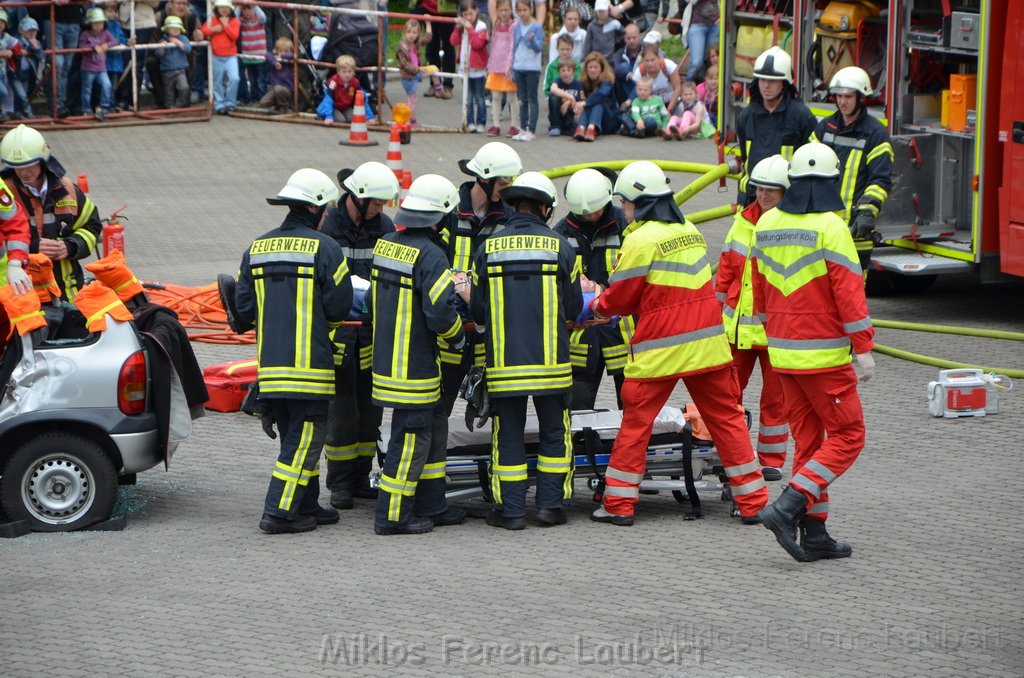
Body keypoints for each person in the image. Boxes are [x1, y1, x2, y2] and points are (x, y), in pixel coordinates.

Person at [588, 161, 768, 526]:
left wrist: (594, 305)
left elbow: (621, 299)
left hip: (662, 350)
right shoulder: (689, 230)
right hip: (708, 347)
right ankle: (755, 503)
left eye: (625, 204)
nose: (624, 211)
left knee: (636, 424)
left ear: (639, 202)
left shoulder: (640, 240)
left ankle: (618, 506)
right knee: (728, 421)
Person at [752, 142, 875, 562]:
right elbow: (849, 292)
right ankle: (787, 507)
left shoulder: (766, 223)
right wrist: (864, 348)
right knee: (849, 436)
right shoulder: (831, 226)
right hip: (823, 359)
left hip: (782, 355)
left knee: (809, 445)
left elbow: (760, 290)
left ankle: (816, 533)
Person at [235, 168, 352, 535]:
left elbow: (243, 310)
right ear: (317, 208)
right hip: (311, 368)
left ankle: (307, 504)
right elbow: (339, 306)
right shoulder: (326, 248)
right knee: (303, 443)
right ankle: (278, 513)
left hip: (271, 368)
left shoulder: (256, 248)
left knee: (294, 438)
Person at [470, 172, 582, 529]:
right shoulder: (562, 246)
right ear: (545, 208)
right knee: (554, 433)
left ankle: (512, 511)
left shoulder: (487, 247)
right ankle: (550, 507)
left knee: (508, 437)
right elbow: (573, 306)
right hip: (552, 363)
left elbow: (478, 311)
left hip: (506, 364)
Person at [370, 174, 468, 535]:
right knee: (412, 438)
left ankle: (432, 504)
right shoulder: (432, 256)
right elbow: (441, 314)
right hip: (415, 366)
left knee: (428, 429)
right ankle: (392, 516)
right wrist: (459, 340)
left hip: (385, 363)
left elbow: (369, 303)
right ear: (441, 217)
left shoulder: (385, 244)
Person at [321, 161, 399, 511]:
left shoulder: (381, 226)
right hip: (337, 338)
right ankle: (339, 483)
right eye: (378, 202)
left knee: (370, 412)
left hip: (369, 337)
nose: (382, 210)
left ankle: (362, 477)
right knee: (341, 415)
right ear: (358, 197)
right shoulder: (327, 225)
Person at [716, 155, 790, 482]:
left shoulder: (794, 226)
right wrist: (714, 318)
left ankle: (771, 459)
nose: (764, 195)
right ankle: (733, 452)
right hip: (738, 326)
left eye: (772, 190)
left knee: (776, 399)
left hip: (775, 329)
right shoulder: (742, 221)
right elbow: (726, 271)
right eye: (760, 189)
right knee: (728, 393)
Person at [438, 141, 522, 416]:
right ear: (483, 177)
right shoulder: (448, 211)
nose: (508, 187)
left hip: (489, 332)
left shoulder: (509, 218)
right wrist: (461, 287)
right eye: (504, 181)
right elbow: (433, 262)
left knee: (493, 413)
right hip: (451, 331)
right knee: (440, 410)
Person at [552, 168, 629, 409]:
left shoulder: (625, 226)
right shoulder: (562, 233)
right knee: (577, 411)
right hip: (581, 338)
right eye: (584, 214)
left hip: (623, 334)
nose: (591, 216)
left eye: (596, 211)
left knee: (632, 408)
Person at [0, 125, 102, 301]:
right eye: (17, 167)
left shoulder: (67, 189)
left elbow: (91, 226)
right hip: (23, 294)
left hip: (68, 292)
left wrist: (71, 246)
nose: (23, 172)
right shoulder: (5, 192)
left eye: (29, 165)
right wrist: (31, 247)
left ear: (42, 161)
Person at [810, 66, 894, 262]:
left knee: (852, 291)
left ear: (861, 97)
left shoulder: (876, 134)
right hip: (821, 228)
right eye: (839, 96)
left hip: (855, 231)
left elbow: (880, 180)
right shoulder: (824, 129)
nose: (842, 102)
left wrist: (866, 212)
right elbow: (807, 170)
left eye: (848, 97)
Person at [736, 46, 816, 206]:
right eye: (762, 80)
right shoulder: (747, 115)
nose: (766, 86)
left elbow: (812, 160)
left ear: (784, 83)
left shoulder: (801, 116)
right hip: (752, 197)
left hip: (787, 199)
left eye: (772, 81)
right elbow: (745, 158)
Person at [28, 0, 84, 116]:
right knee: (57, 64)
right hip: (53, 19)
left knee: (66, 66)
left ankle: (60, 105)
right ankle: (54, 106)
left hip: (73, 20)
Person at [451, 0, 489, 133]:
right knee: (468, 97)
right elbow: (453, 41)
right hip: (464, 68)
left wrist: (469, 29)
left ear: (476, 11)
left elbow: (477, 44)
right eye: (465, 14)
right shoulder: (461, 27)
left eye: (471, 14)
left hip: (478, 69)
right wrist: (457, 27)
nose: (468, 17)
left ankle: (481, 122)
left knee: (479, 97)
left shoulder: (481, 26)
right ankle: (470, 122)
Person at [397, 19, 443, 126]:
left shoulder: (415, 43)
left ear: (417, 34)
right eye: (408, 32)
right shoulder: (402, 48)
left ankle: (438, 89)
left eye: (414, 32)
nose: (411, 35)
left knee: (434, 69)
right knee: (412, 99)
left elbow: (428, 38)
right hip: (408, 77)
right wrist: (419, 69)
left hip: (417, 73)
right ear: (404, 33)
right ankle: (411, 121)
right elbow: (405, 65)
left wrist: (428, 23)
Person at [78, 7, 119, 121]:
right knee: (87, 89)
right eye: (95, 23)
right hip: (87, 68)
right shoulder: (85, 34)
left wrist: (107, 45)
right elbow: (81, 47)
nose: (98, 26)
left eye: (100, 23)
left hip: (101, 68)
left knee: (107, 85)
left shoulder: (106, 33)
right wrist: (92, 47)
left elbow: (114, 41)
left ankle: (104, 107)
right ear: (90, 23)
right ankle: (86, 109)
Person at [511, 0, 544, 142]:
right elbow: (514, 47)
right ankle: (522, 128)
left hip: (532, 68)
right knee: (522, 100)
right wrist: (512, 66)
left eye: (525, 10)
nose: (522, 13)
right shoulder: (517, 26)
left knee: (532, 99)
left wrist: (532, 40)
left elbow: (539, 47)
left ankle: (531, 129)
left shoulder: (536, 27)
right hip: (519, 67)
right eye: (520, 11)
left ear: (530, 9)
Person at [201, 0, 240, 115]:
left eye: (226, 7)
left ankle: (230, 102)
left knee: (235, 78)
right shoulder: (212, 20)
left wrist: (225, 25)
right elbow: (204, 31)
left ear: (230, 9)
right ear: (216, 9)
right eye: (221, 7)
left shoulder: (234, 21)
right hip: (216, 56)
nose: (224, 9)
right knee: (217, 82)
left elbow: (234, 36)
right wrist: (213, 30)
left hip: (231, 56)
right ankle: (219, 104)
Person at [484, 0, 517, 138]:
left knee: (511, 97)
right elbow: (493, 44)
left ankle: (515, 125)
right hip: (495, 66)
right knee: (496, 97)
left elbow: (512, 47)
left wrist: (509, 65)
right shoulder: (496, 24)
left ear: (511, 10)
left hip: (507, 66)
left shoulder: (514, 26)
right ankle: (496, 125)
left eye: (506, 10)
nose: (503, 13)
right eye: (501, 10)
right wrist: (489, 64)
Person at [572, 51, 618, 141]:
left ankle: (591, 128)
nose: (593, 70)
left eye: (596, 67)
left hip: (609, 121)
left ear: (602, 68)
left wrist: (585, 103)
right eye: (590, 67)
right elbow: (579, 99)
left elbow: (601, 94)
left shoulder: (607, 82)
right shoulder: (582, 82)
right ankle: (581, 128)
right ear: (586, 68)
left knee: (597, 102)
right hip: (588, 118)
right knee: (587, 104)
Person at [12, 17, 44, 119]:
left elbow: (42, 56)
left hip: (26, 73)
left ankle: (18, 113)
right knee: (22, 95)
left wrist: (36, 47)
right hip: (15, 73)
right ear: (21, 30)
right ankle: (28, 113)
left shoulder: (36, 43)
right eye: (29, 30)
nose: (32, 33)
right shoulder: (15, 41)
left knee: (23, 94)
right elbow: (13, 52)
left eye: (34, 31)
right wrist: (19, 52)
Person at [157, 16, 192, 109]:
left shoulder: (183, 38)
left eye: (178, 28)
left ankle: (179, 104)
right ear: (167, 29)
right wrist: (162, 47)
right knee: (169, 91)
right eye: (172, 28)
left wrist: (179, 43)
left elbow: (188, 49)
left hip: (180, 70)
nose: (175, 30)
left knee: (184, 87)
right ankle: (169, 107)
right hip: (167, 70)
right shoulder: (163, 40)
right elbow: (158, 55)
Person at [237, 3, 269, 105]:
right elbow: (234, 18)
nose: (247, 12)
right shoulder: (242, 22)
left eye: (249, 9)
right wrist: (239, 5)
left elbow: (263, 16)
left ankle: (263, 100)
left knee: (261, 80)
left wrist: (254, 4)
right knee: (252, 79)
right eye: (244, 9)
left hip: (260, 56)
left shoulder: (259, 20)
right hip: (248, 56)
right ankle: (255, 98)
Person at [255, 37, 295, 113]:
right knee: (262, 103)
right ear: (276, 51)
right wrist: (275, 62)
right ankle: (276, 105)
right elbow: (267, 55)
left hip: (287, 89)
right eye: (280, 51)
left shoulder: (290, 60)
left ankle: (283, 107)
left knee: (278, 89)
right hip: (274, 89)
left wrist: (282, 56)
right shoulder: (274, 58)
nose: (283, 52)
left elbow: (291, 55)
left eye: (285, 51)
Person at [548, 56, 584, 137]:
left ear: (573, 71)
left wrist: (568, 102)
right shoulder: (558, 81)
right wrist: (570, 97)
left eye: (568, 70)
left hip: (572, 113)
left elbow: (581, 100)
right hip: (559, 113)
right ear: (559, 72)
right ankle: (555, 126)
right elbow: (552, 89)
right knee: (553, 97)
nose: (566, 73)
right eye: (563, 70)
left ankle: (571, 126)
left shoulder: (578, 84)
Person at [684, 0, 719, 81]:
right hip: (697, 24)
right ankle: (688, 89)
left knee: (712, 61)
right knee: (696, 62)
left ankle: (706, 88)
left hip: (714, 24)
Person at [610, 22, 641, 105]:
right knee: (623, 67)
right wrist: (629, 75)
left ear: (640, 36)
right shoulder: (619, 54)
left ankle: (630, 104)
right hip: (624, 91)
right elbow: (615, 68)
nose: (631, 41)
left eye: (634, 37)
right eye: (628, 38)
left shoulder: (647, 51)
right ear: (624, 38)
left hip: (644, 88)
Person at [321, 55, 360, 124]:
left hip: (346, 106)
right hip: (334, 106)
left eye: (350, 71)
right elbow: (328, 99)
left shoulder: (355, 82)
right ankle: (324, 114)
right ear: (338, 72)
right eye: (344, 72)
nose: (347, 75)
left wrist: (369, 117)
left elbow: (362, 99)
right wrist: (328, 116)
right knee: (341, 120)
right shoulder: (333, 81)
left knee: (353, 119)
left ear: (354, 72)